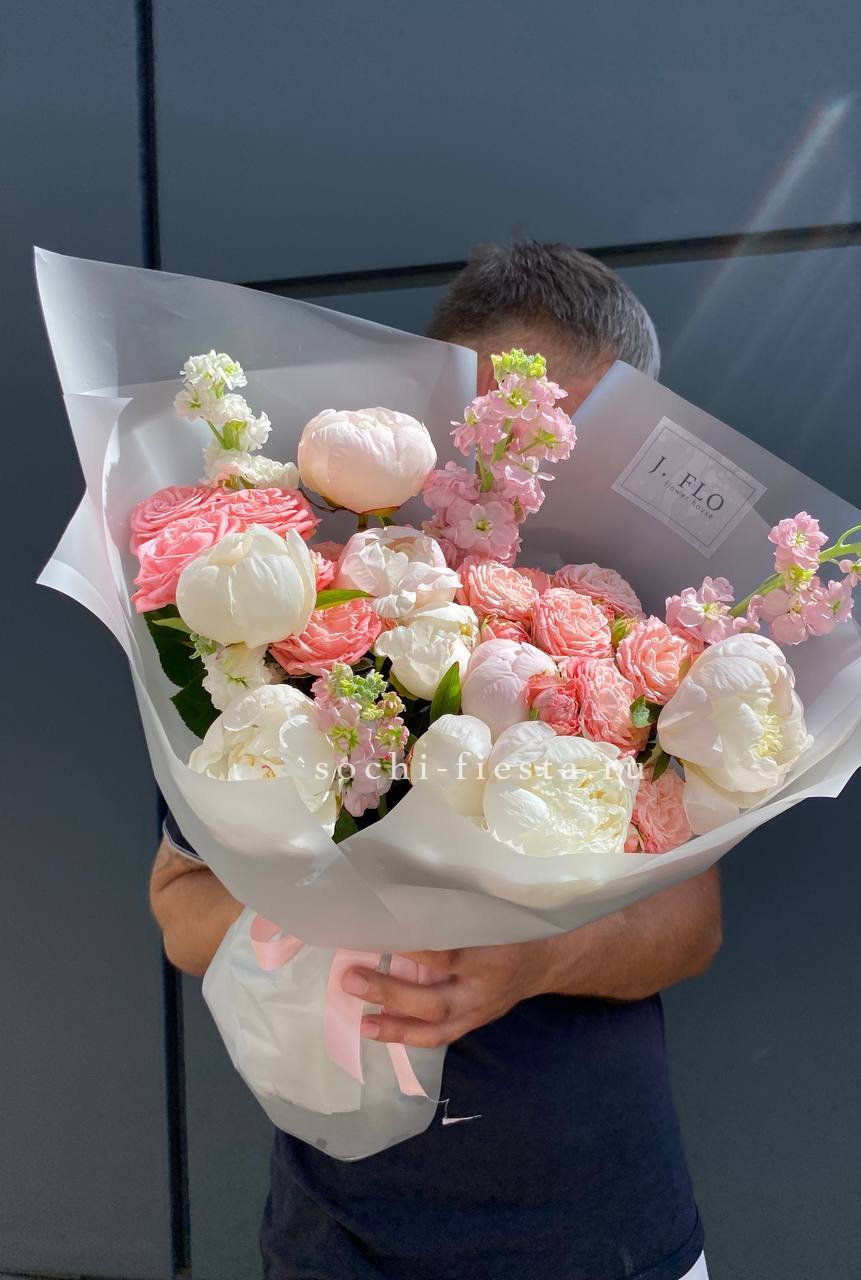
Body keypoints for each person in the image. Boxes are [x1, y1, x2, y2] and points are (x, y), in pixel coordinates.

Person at [151, 240, 720, 1280]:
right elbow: (182, 912)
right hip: (344, 1240)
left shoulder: (645, 647)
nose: (522, 471)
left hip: (607, 1236)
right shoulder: (279, 614)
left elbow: (691, 925)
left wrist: (534, 960)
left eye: (557, 440)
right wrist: (343, 905)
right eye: (493, 428)